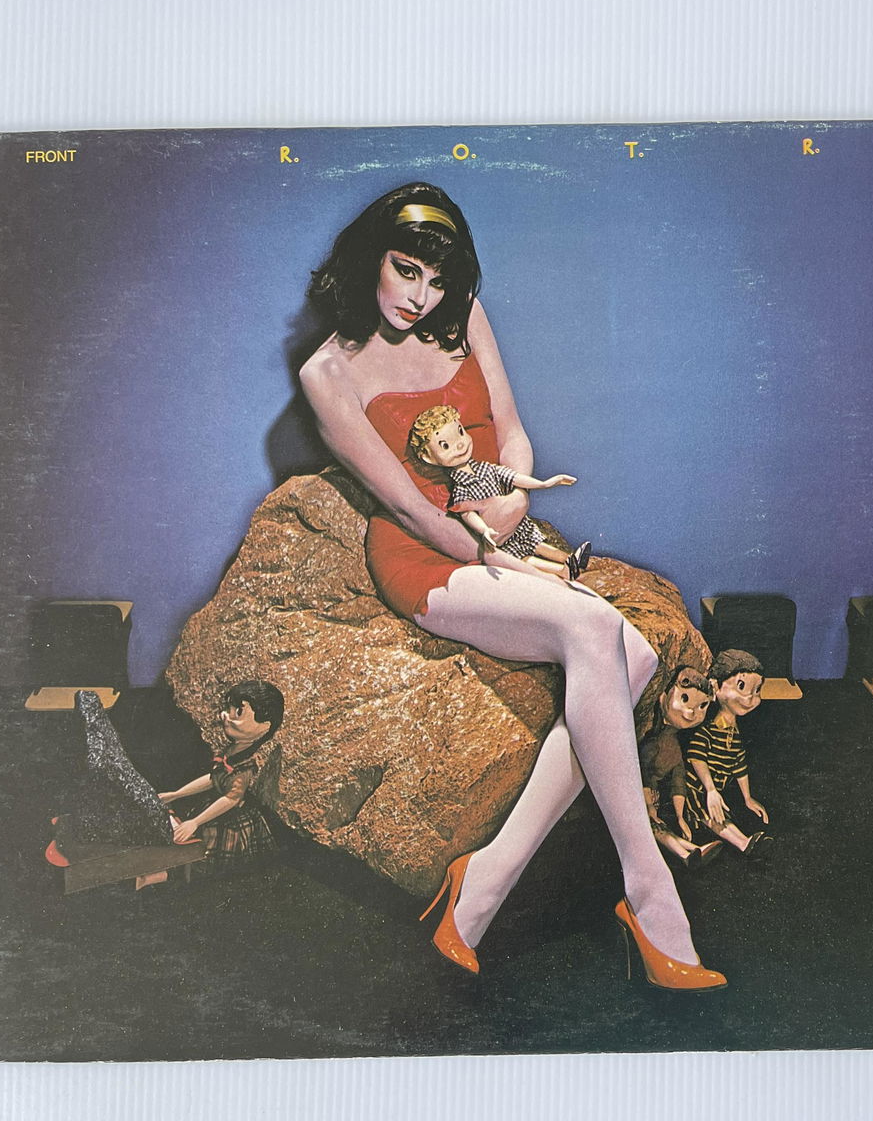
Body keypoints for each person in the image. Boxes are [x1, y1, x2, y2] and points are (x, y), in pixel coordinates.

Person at [298, 182, 722, 990]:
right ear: (369, 258)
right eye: (406, 271)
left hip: (498, 521)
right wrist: (502, 555)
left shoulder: (464, 315)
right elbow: (406, 506)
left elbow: (514, 433)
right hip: (426, 557)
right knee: (600, 633)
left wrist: (515, 503)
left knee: (632, 656)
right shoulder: (328, 372)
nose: (421, 298)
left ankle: (484, 881)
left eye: (437, 280)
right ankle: (650, 889)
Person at [46, 682, 284, 887]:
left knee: (201, 855)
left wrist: (195, 822)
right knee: (178, 837)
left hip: (229, 821)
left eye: (238, 712)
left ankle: (158, 877)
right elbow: (213, 779)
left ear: (264, 726)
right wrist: (176, 793)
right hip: (211, 807)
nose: (226, 716)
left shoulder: (245, 766)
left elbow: (230, 799)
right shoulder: (231, 752)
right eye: (228, 709)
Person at [407, 403, 593, 580]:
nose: (460, 445)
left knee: (537, 544)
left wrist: (544, 484)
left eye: (460, 432)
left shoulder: (486, 468)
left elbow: (513, 477)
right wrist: (484, 530)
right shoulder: (461, 489)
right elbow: (468, 514)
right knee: (523, 558)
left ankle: (570, 560)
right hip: (498, 534)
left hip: (516, 524)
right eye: (445, 446)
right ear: (428, 457)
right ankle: (563, 571)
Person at [684, 650, 772, 851]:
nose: (749, 698)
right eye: (741, 687)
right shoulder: (708, 730)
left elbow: (739, 765)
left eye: (756, 691)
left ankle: (746, 842)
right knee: (712, 815)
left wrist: (747, 797)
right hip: (695, 789)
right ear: (716, 686)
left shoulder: (734, 734)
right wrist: (711, 789)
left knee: (722, 814)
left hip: (714, 789)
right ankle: (743, 843)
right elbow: (696, 757)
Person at [639, 666, 723, 868]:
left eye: (702, 706)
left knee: (657, 826)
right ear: (663, 698)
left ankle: (692, 851)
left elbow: (678, 779)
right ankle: (686, 853)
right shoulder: (652, 742)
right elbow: (642, 772)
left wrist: (680, 816)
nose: (692, 712)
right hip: (639, 796)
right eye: (685, 699)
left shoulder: (675, 746)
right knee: (652, 827)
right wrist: (648, 805)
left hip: (653, 799)